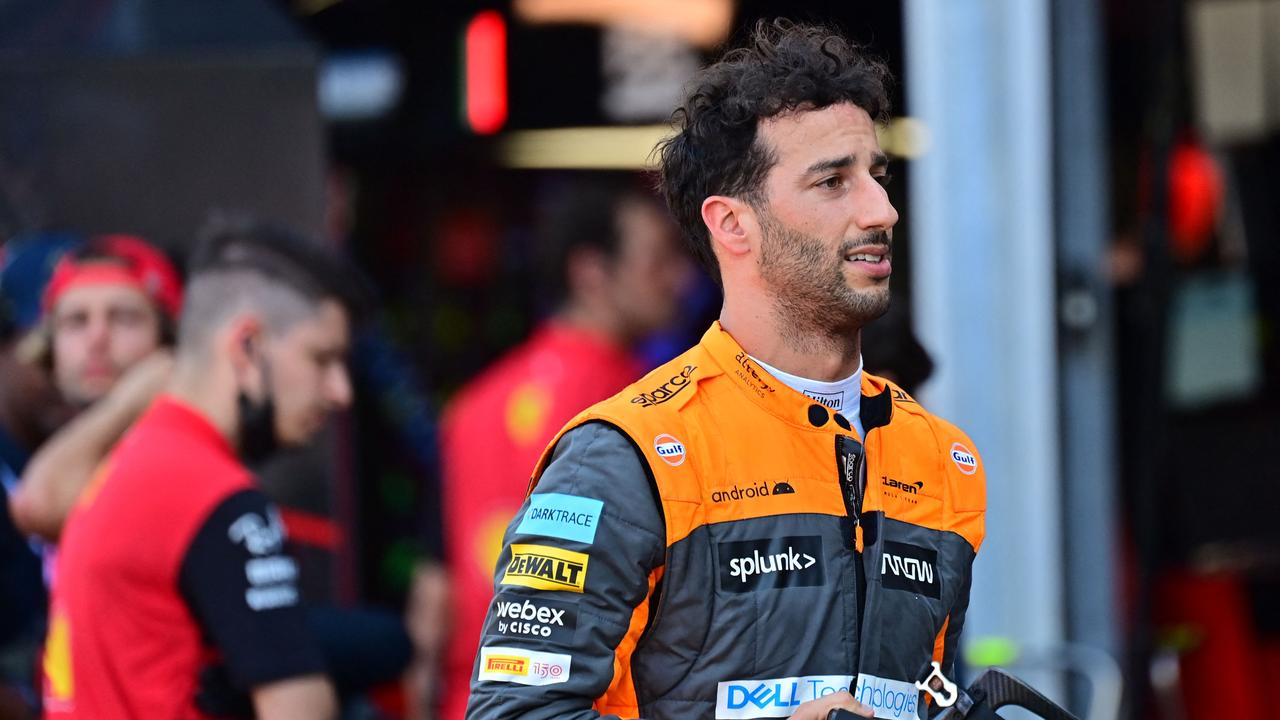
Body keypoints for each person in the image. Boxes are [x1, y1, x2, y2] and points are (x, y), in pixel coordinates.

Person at [466, 20, 986, 720]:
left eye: (877, 175)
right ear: (733, 225)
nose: (881, 209)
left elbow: (929, 695)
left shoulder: (943, 460)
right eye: (834, 181)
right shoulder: (625, 459)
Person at [41, 219, 366, 719]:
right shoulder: (214, 497)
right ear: (247, 347)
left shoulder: (132, 465)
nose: (340, 390)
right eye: (322, 359)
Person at [407, 177, 690, 719]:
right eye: (659, 260)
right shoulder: (649, 405)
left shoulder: (468, 407)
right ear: (590, 273)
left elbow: (431, 604)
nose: (680, 279)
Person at [9, 234, 182, 543]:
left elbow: (39, 505)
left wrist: (126, 402)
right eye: (77, 321)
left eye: (124, 318)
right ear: (49, 349)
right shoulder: (30, 441)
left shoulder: (185, 445)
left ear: (168, 343)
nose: (97, 339)